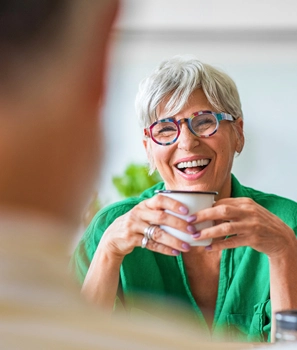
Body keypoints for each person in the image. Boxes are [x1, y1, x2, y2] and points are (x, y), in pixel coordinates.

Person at [71, 55, 297, 344]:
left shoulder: (289, 223)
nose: (187, 142)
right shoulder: (109, 229)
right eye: (165, 129)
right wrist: (108, 253)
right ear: (148, 149)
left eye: (204, 122)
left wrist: (283, 252)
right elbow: (70, 340)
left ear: (238, 134)